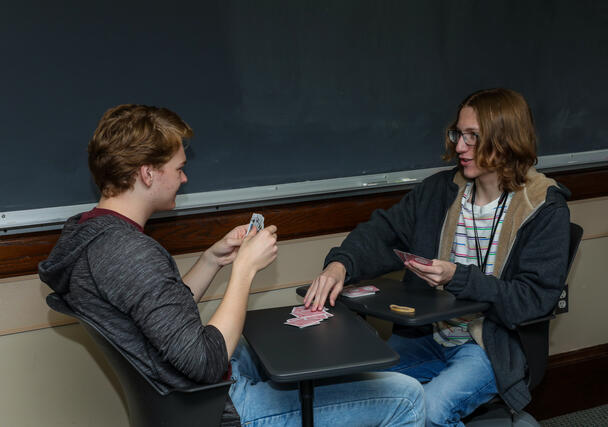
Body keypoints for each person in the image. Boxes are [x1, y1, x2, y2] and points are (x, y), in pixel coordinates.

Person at [38, 104, 426, 426]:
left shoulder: (92, 233)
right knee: (406, 395)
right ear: (147, 172)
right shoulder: (130, 252)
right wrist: (244, 271)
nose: (184, 177)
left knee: (263, 350)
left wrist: (213, 260)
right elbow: (205, 363)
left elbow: (161, 317)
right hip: (212, 410)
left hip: (185, 393)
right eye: (178, 168)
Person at [304, 88, 571, 426]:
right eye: (458, 134)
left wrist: (456, 277)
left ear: (506, 140)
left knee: (428, 410)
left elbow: (532, 300)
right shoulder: (439, 191)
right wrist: (340, 264)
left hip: (489, 347)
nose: (460, 146)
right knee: (352, 392)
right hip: (429, 336)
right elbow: (382, 233)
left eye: (473, 137)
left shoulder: (544, 208)